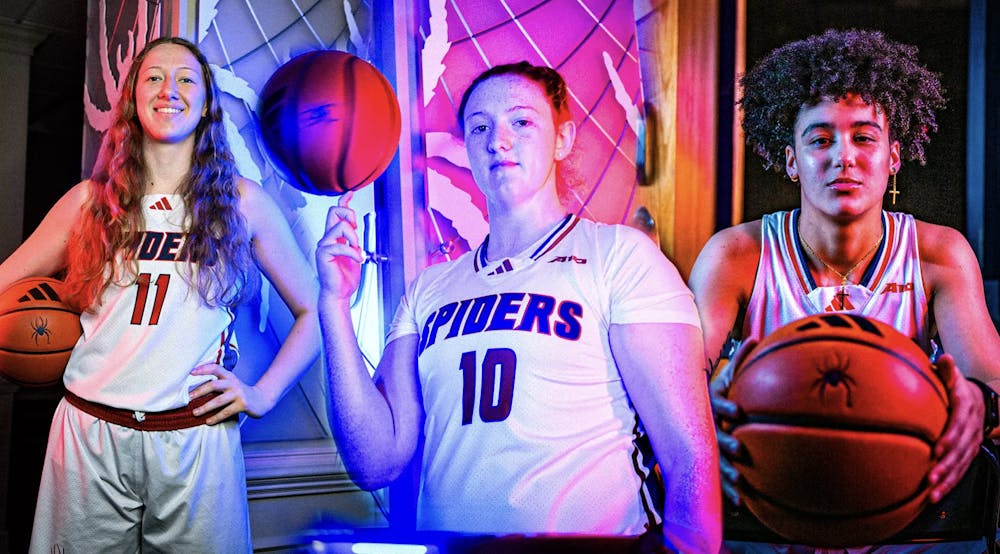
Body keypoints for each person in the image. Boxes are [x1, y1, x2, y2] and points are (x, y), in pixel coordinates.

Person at [317, 61, 722, 551]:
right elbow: (374, 461)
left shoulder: (619, 256)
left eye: (522, 121)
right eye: (480, 127)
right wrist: (333, 304)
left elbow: (689, 456)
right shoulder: (429, 288)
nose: (497, 140)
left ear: (562, 139)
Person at [0, 37, 320, 552]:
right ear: (132, 98)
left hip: (195, 437)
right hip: (91, 434)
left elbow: (314, 313)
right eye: (153, 77)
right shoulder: (88, 203)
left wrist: (262, 393)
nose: (169, 89)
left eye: (186, 79)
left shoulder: (243, 203)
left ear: (207, 102)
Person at [689, 28, 1000, 549]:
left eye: (863, 137)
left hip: (902, 522)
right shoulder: (737, 255)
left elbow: (990, 380)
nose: (844, 157)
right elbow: (676, 381)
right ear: (791, 159)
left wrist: (978, 402)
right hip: (773, 518)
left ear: (893, 157)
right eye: (819, 139)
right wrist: (701, 413)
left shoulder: (938, 254)